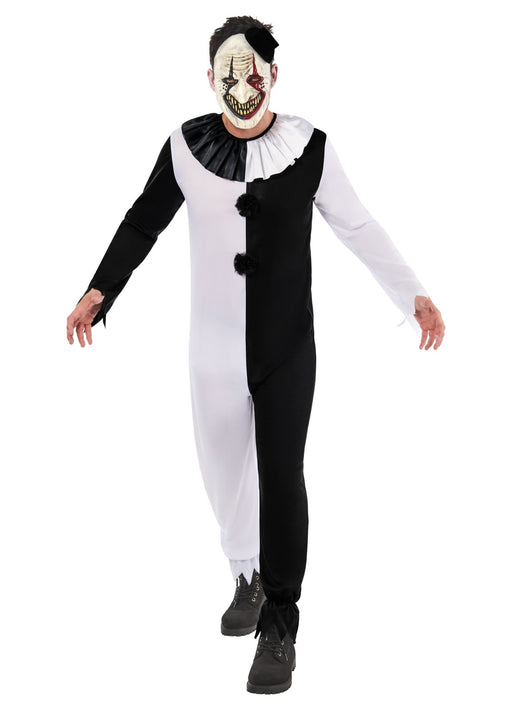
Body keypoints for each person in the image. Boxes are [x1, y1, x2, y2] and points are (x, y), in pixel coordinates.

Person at [66, 15, 445, 694]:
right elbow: (143, 221)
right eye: (227, 74)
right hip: (210, 350)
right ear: (209, 79)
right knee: (221, 472)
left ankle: (280, 622)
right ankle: (245, 573)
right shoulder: (185, 149)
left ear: (273, 75)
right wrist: (100, 289)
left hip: (286, 347)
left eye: (252, 73)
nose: (240, 87)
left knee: (280, 474)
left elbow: (358, 224)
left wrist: (412, 293)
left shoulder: (309, 148)